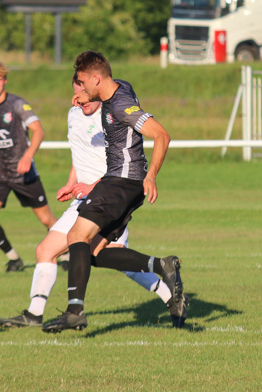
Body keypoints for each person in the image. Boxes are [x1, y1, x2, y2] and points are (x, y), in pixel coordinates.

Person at [0, 78, 185, 329]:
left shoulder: (111, 115)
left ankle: (169, 294)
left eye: (84, 93)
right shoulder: (73, 115)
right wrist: (71, 183)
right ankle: (34, 313)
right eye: (75, 94)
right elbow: (79, 156)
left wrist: (92, 186)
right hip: (84, 198)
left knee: (102, 257)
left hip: (108, 194)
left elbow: (118, 164)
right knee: (48, 250)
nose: (80, 100)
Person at [42, 51, 186, 333]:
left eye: (82, 83)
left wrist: (152, 176)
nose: (80, 89)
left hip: (121, 182)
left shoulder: (121, 105)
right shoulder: (120, 87)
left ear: (96, 78)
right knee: (92, 252)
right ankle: (161, 264)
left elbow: (162, 135)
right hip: (124, 185)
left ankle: (75, 312)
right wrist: (89, 97)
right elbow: (109, 90)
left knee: (75, 237)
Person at [0, 62, 56, 272]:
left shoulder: (18, 104)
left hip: (23, 172)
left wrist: (28, 156)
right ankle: (14, 258)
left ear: (5, 81)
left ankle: (65, 253)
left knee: (46, 218)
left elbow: (38, 131)